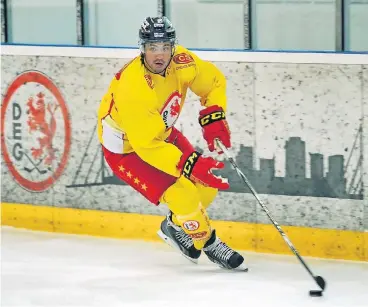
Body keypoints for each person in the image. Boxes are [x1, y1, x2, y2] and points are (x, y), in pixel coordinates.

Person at [97, 16, 247, 271]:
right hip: (127, 150)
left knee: (205, 184)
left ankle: (176, 226)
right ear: (142, 48)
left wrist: (214, 114)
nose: (159, 54)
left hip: (161, 135)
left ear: (173, 47)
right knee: (183, 194)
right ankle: (209, 244)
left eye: (165, 46)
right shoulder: (133, 87)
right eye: (152, 47)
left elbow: (213, 82)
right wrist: (188, 164)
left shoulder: (183, 62)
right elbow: (147, 145)